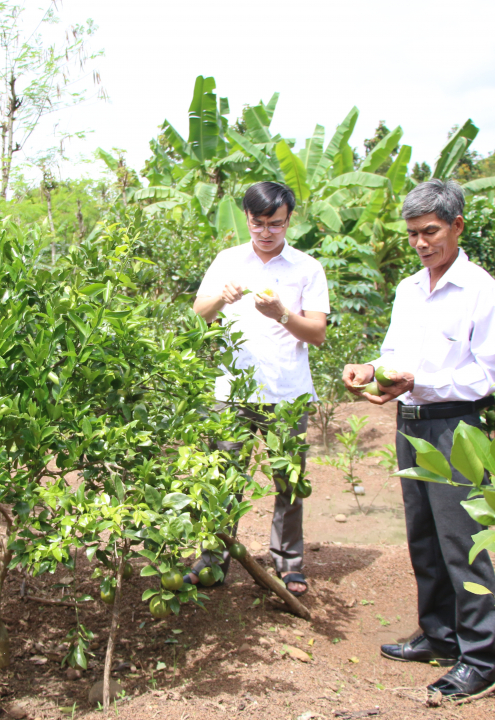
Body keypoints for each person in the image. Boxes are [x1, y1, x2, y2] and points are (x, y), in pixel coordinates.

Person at [341, 179, 495, 697]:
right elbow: (397, 352)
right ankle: (438, 634)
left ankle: (481, 656)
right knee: (424, 535)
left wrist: (423, 383)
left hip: (457, 423)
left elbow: (490, 375)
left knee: (461, 540)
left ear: (457, 226)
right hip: (412, 419)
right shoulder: (410, 288)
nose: (420, 243)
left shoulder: (481, 290)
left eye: (430, 231)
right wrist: (371, 369)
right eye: (413, 234)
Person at [191, 181, 329, 597]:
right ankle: (213, 559)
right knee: (224, 477)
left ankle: (289, 563)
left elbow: (318, 333)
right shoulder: (228, 260)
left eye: (276, 224)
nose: (267, 232)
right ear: (247, 219)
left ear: (290, 220)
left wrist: (283, 314)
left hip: (288, 393)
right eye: (258, 223)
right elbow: (200, 314)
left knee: (288, 481)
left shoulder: (307, 268)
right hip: (233, 391)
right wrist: (220, 297)